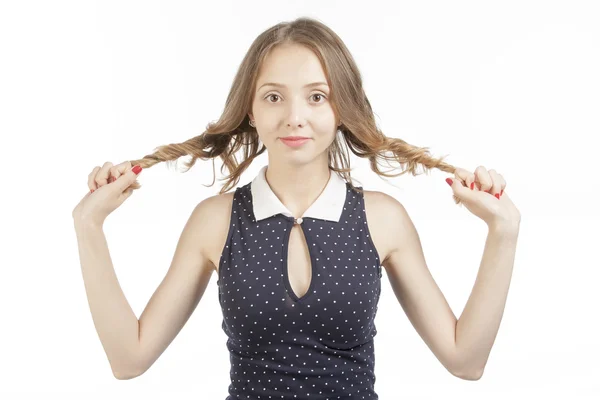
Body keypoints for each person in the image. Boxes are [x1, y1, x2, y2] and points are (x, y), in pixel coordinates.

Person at [72, 16, 521, 399]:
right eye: (273, 96)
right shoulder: (216, 221)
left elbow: (466, 360)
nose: (294, 116)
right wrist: (88, 225)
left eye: (316, 96)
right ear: (251, 110)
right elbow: (128, 359)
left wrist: (504, 232)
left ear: (341, 108)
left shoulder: (384, 220)